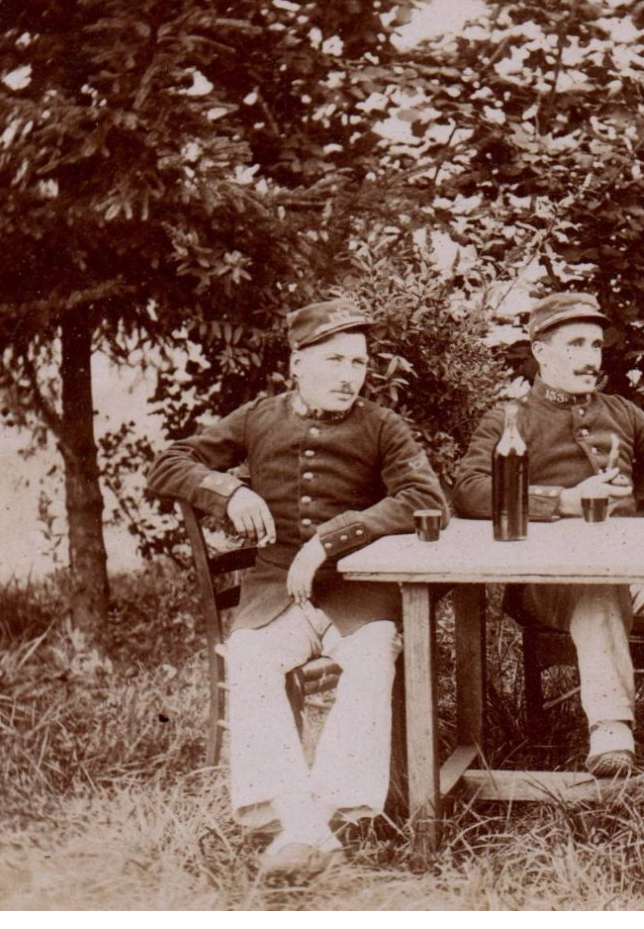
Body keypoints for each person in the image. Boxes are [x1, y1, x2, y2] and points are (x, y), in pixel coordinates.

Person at [147, 299, 447, 882]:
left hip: (355, 591)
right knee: (253, 660)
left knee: (371, 657)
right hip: (274, 593)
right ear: (298, 363)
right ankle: (307, 826)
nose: (347, 376)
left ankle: (314, 819)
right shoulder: (258, 418)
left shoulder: (381, 425)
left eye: (358, 363)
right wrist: (227, 493)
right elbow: (169, 463)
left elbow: (425, 498)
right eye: (333, 360)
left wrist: (332, 539)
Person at [451, 292, 644, 776]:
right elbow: (468, 489)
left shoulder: (623, 412)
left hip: (638, 577)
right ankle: (611, 731)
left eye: (595, 346)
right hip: (549, 584)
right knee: (598, 585)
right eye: (575, 345)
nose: (590, 358)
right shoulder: (512, 418)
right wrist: (563, 502)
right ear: (540, 352)